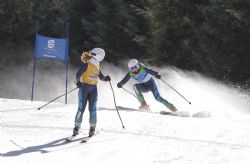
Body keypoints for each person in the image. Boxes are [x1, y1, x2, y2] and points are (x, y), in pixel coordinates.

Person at [72, 48, 111, 137]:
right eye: (102, 57)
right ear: (99, 56)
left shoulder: (97, 66)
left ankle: (91, 127)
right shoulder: (88, 64)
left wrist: (106, 78)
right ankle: (77, 127)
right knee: (82, 108)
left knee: (92, 109)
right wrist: (78, 83)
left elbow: (101, 77)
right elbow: (78, 74)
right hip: (85, 88)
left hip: (93, 89)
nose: (102, 59)